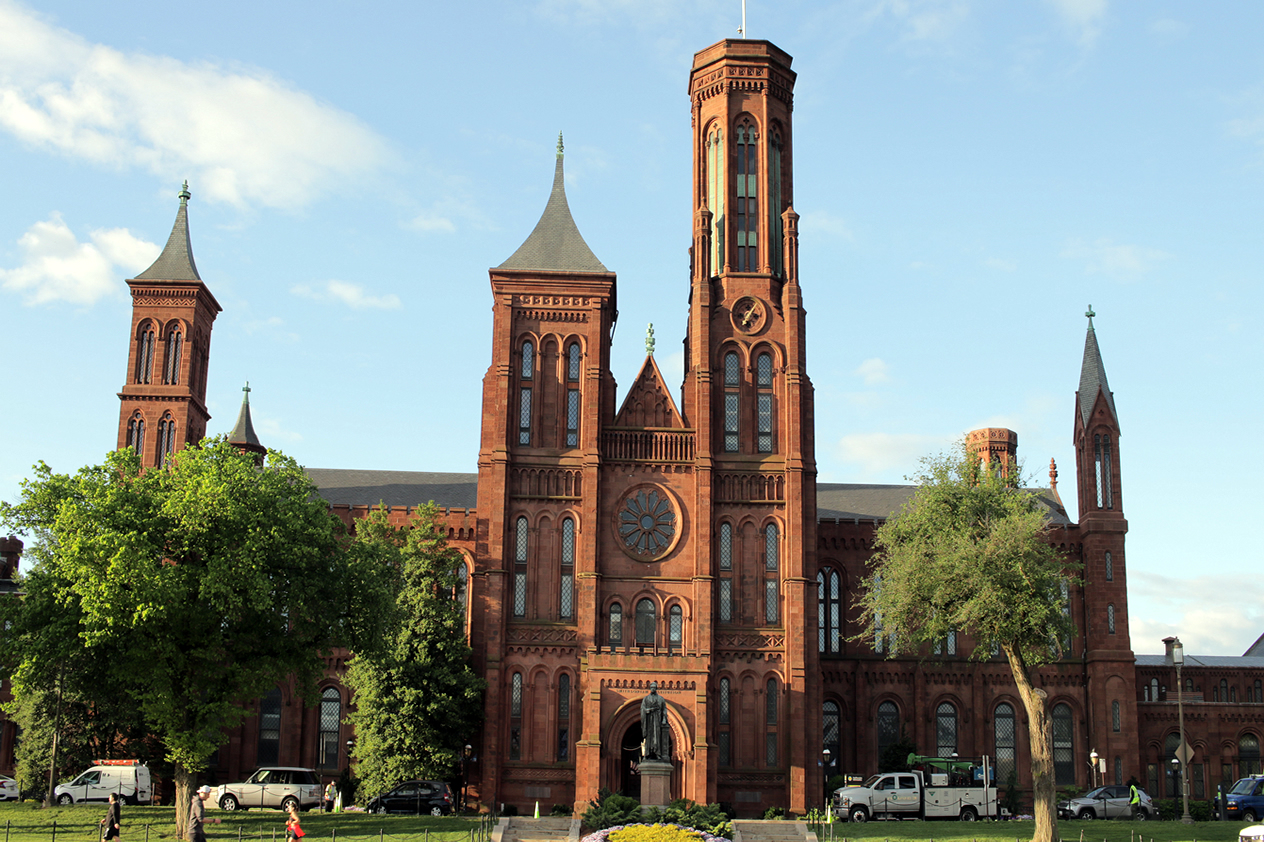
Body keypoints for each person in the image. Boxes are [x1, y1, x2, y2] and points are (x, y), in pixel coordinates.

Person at [640, 682, 668, 761]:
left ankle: (657, 753)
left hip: (657, 720)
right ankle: (647, 753)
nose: (653, 689)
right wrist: (647, 711)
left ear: (656, 688)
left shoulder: (660, 699)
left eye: (654, 687)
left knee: (657, 736)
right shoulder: (646, 699)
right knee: (649, 737)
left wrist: (664, 719)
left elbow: (664, 709)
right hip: (648, 721)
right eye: (651, 687)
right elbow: (642, 709)